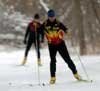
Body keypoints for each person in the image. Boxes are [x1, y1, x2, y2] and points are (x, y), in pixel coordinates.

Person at [41, 9, 81, 84]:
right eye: (50, 17)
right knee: (53, 61)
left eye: (52, 16)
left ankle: (76, 74)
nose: (51, 18)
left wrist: (67, 31)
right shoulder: (45, 23)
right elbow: (40, 29)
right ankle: (53, 78)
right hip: (51, 45)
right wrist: (37, 29)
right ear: (48, 17)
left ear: (54, 16)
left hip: (60, 44)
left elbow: (65, 28)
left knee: (67, 59)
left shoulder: (58, 23)